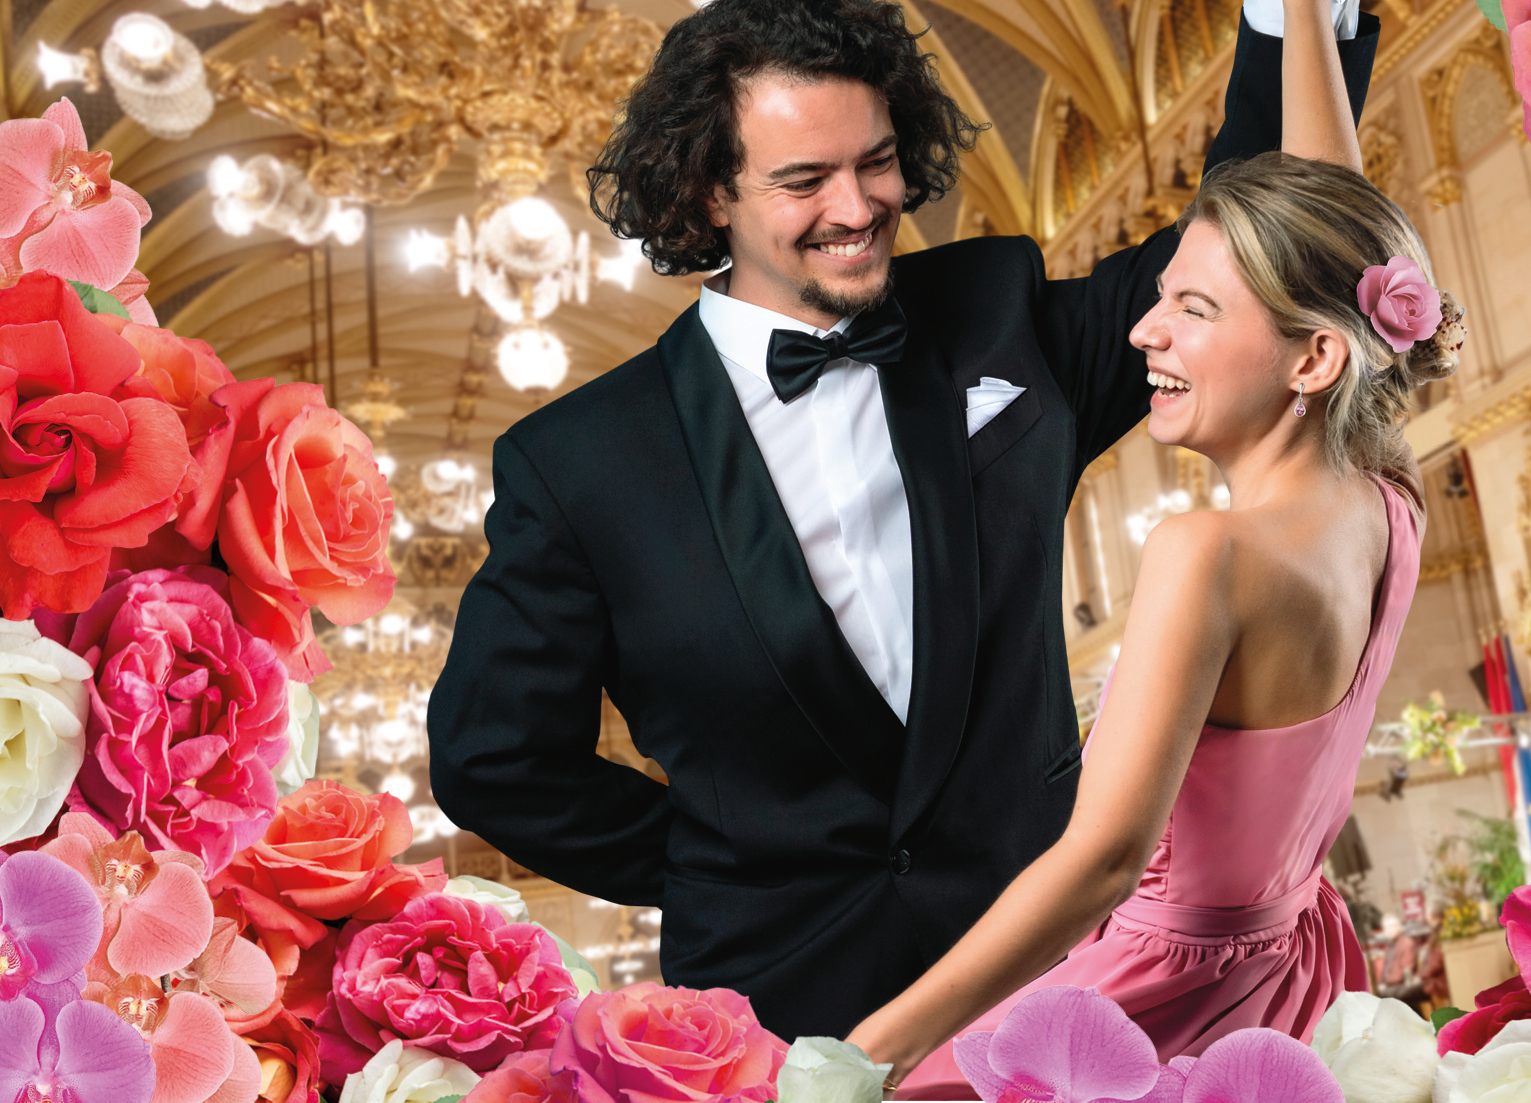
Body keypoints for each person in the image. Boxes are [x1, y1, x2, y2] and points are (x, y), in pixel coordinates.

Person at [425, 0, 1381, 1042]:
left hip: (1071, 970)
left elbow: (1253, 245)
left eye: (875, 162)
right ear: (708, 192)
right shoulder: (577, 462)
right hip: (785, 1005)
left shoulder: (994, 310)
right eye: (804, 181)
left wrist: (1291, 15)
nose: (858, 205)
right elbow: (493, 758)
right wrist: (717, 857)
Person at [844, 41, 1465, 1093]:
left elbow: (1100, 862)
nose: (1143, 330)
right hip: (1290, 974)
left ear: (1314, 358)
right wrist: (1301, 21)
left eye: (1193, 309)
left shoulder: (1205, 553)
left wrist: (868, 1050)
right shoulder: (1386, 497)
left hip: (1160, 995)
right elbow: (1337, 222)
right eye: (1163, 295)